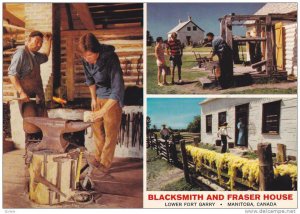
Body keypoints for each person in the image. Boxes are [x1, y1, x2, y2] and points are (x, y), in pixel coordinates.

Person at [79, 33, 125, 174]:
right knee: (98, 131)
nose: (88, 60)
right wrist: (93, 98)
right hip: (98, 97)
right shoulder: (85, 59)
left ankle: (105, 164)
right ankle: (97, 159)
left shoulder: (111, 58)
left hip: (112, 100)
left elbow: (117, 88)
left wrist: (103, 110)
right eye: (85, 57)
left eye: (90, 56)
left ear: (97, 51)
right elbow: (90, 81)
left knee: (110, 134)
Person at [8, 31, 52, 108]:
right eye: (36, 41)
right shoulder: (21, 53)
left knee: (43, 119)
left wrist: (48, 41)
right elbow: (12, 74)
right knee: (30, 119)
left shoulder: (36, 55)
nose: (39, 45)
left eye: (41, 42)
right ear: (29, 40)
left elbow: (45, 56)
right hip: (27, 98)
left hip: (38, 97)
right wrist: (21, 93)